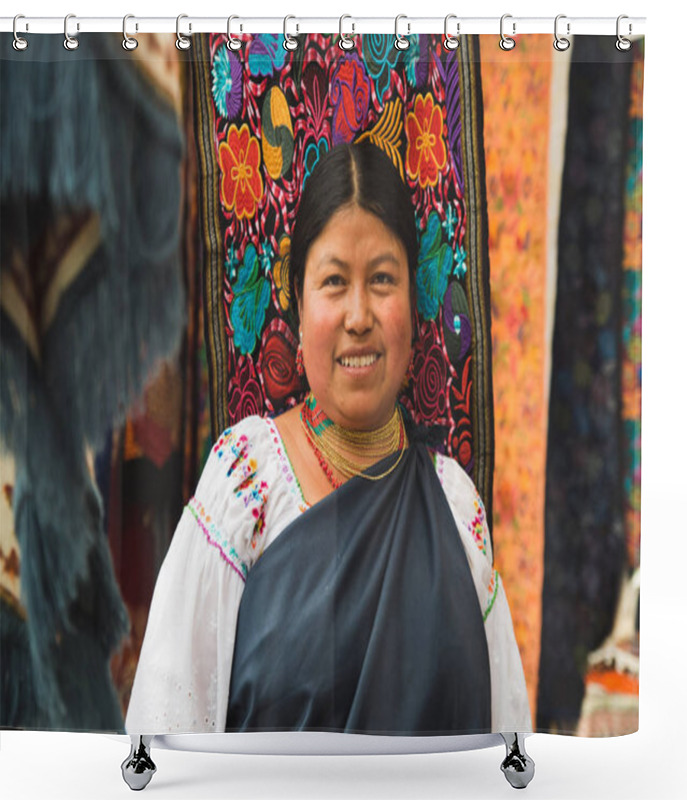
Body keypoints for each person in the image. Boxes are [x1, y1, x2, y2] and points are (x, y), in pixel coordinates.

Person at [125, 142, 530, 736]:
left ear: (415, 309)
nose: (359, 315)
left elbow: (507, 736)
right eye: (335, 281)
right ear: (295, 302)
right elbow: (166, 723)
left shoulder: (455, 506)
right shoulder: (246, 486)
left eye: (383, 280)